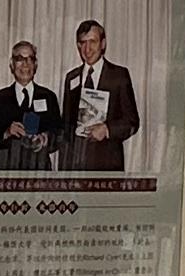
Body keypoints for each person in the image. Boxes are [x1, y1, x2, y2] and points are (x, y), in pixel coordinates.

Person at [59, 18, 139, 173]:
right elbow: (66, 125)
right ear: (78, 45)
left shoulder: (119, 75)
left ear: (103, 44)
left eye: (92, 42)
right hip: (76, 167)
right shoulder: (71, 78)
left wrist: (107, 130)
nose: (87, 48)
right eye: (83, 42)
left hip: (107, 164)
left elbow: (132, 122)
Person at [0, 38, 61, 170]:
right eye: (20, 59)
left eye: (30, 59)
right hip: (6, 170)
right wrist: (6, 132)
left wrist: (46, 139)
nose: (25, 64)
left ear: (35, 64)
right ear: (12, 64)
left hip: (39, 169)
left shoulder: (49, 97)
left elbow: (59, 135)